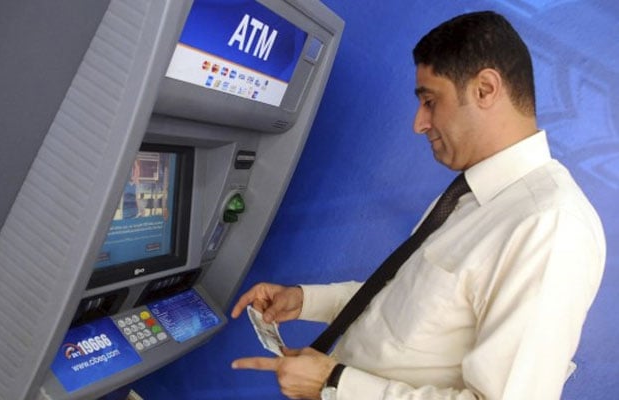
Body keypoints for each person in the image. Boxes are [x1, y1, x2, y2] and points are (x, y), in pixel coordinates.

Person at [230, 10, 606, 400]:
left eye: (430, 101)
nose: (419, 123)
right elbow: (402, 304)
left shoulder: (549, 224)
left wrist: (335, 383)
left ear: (485, 89)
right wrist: (305, 300)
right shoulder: (469, 197)